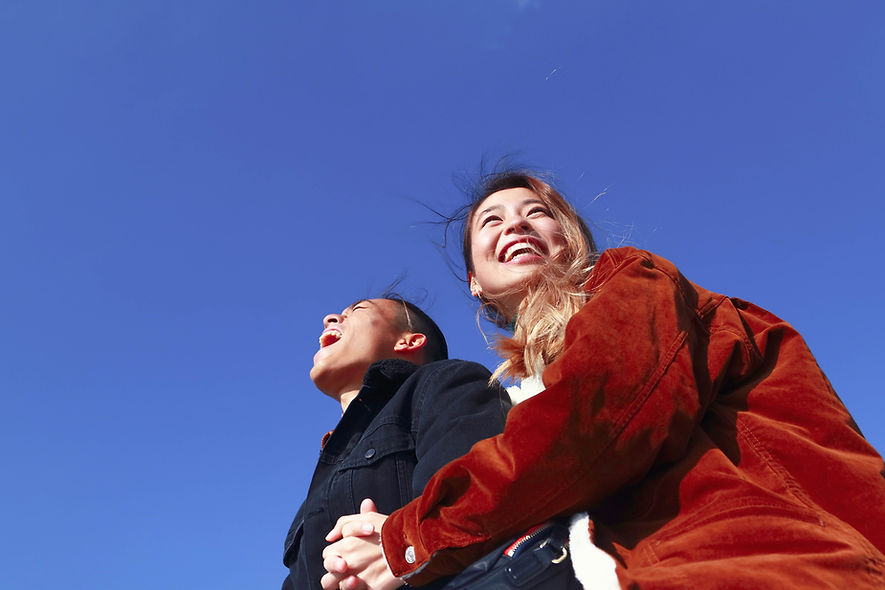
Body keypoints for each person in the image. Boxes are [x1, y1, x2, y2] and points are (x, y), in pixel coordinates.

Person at [320, 172, 885, 590]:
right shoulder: (516, 393)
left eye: (536, 212)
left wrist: (408, 539)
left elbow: (591, 423)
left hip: (767, 561)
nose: (515, 223)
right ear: (474, 281)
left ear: (570, 239)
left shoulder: (631, 281)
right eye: (491, 221)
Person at [281, 296, 509, 589]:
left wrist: (399, 546)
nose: (330, 318)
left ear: (409, 342)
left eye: (357, 310)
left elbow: (478, 497)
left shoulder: (445, 382)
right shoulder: (322, 476)